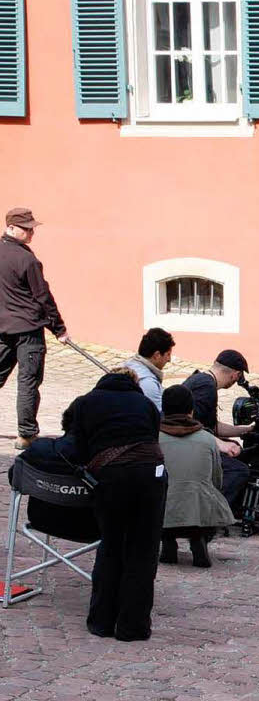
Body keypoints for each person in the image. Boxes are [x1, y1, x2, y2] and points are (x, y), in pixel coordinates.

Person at [63, 367, 166, 641]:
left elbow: (79, 448)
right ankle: (133, 626)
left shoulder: (86, 402)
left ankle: (101, 622)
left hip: (111, 477)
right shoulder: (145, 404)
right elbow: (153, 438)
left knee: (111, 545)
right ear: (134, 384)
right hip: (151, 475)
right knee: (142, 551)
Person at [0, 208, 70, 450]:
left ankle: (26, 432)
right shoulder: (27, 260)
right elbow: (43, 297)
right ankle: (26, 435)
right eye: (26, 228)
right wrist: (59, 329)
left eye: (32, 229)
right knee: (28, 382)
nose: (31, 233)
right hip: (28, 331)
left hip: (3, 328)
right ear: (10, 228)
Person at [158, 385, 235, 567]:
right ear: (191, 411)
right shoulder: (207, 439)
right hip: (199, 511)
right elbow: (217, 478)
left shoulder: (154, 437)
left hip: (163, 510)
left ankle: (167, 541)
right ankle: (198, 539)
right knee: (205, 494)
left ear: (164, 409)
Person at [181, 350, 253, 507]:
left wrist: (246, 430)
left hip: (189, 441)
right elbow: (191, 424)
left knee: (239, 452)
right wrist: (222, 445)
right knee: (238, 471)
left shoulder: (200, 379)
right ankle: (212, 513)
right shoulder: (206, 387)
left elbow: (213, 426)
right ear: (235, 374)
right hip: (188, 445)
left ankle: (234, 509)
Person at [124, 328, 175, 412]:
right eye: (168, 354)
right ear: (157, 355)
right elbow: (158, 418)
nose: (169, 359)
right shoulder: (148, 384)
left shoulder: (128, 365)